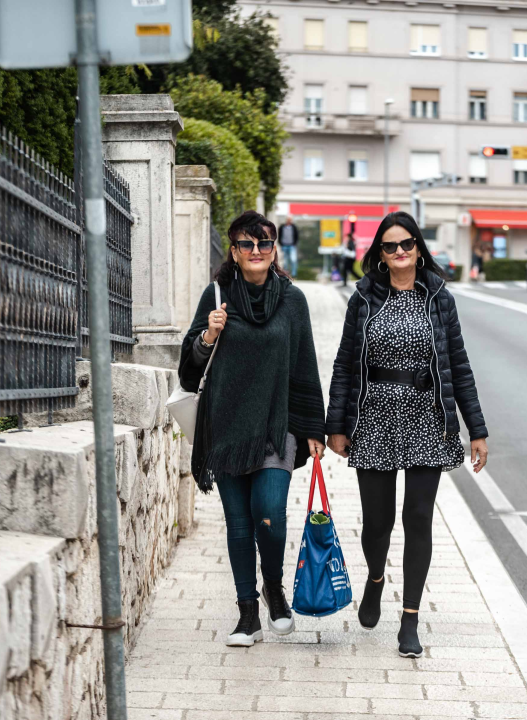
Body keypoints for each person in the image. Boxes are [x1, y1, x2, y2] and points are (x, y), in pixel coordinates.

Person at [326, 211, 489, 658]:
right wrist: (335, 426)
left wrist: (476, 429)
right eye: (390, 246)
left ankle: (411, 618)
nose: (400, 252)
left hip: (426, 417)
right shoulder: (363, 299)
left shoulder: (439, 298)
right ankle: (375, 579)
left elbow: (458, 364)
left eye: (407, 244)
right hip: (375, 417)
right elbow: (344, 364)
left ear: (419, 247)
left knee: (417, 518)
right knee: (377, 523)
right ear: (379, 254)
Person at [178, 210, 327, 648]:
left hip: (275, 427)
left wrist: (313, 427)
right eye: (247, 244)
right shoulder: (217, 295)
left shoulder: (292, 300)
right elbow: (188, 371)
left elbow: (304, 366)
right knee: (239, 525)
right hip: (226, 428)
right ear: (234, 251)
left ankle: (274, 589)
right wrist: (207, 336)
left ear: (274, 249)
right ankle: (248, 615)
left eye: (264, 244)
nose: (256, 251)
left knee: (270, 515)